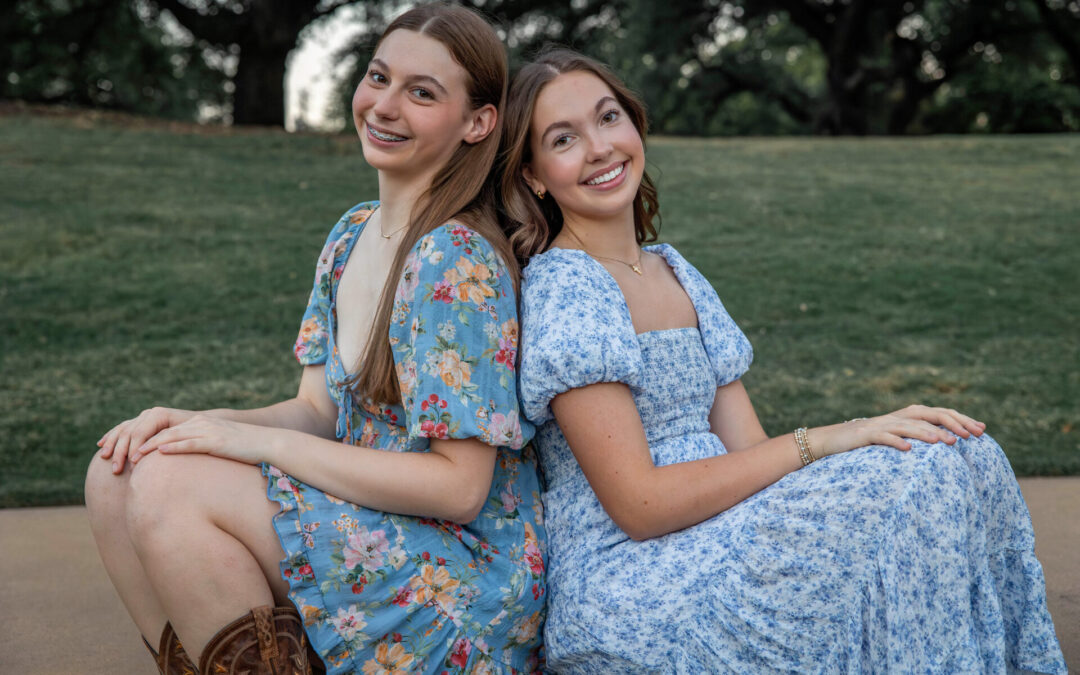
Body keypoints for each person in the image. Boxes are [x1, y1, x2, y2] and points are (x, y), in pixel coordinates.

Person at [497, 47, 1066, 674]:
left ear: (635, 126)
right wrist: (829, 438)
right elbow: (641, 506)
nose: (600, 148)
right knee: (912, 479)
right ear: (534, 177)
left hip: (723, 530)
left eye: (608, 119)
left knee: (954, 454)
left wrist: (860, 443)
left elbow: (748, 450)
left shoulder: (675, 270)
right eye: (564, 138)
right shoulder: (568, 287)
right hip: (638, 579)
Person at [85, 5, 546, 674]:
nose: (384, 106)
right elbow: (319, 410)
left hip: (462, 582)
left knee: (165, 489)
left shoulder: (456, 258)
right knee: (118, 467)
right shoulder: (351, 232)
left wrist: (263, 443)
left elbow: (458, 488)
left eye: (422, 93)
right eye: (379, 77)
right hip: (377, 526)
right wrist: (196, 423)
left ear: (479, 122)